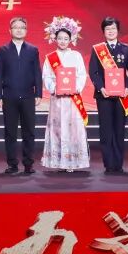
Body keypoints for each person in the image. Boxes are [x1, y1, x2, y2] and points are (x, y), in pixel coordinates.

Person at [87, 16, 128, 175]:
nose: (110, 31)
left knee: (119, 130)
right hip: (104, 96)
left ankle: (118, 163)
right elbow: (93, 72)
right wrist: (101, 87)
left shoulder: (126, 49)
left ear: (118, 30)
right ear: (103, 31)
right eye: (107, 29)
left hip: (121, 97)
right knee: (106, 130)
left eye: (113, 28)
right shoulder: (98, 49)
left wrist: (127, 89)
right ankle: (109, 164)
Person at [0, 17, 43, 175]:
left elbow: (37, 72)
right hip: (9, 96)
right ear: (10, 30)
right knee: (10, 132)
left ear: (26, 31)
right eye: (16, 27)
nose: (19, 30)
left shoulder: (33, 50)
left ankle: (28, 164)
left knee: (29, 131)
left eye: (22, 27)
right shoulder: (3, 50)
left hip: (28, 95)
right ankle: (12, 164)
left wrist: (38, 93)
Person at [41, 17, 90, 173]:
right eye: (60, 38)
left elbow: (81, 74)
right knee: (58, 128)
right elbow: (46, 76)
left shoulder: (76, 55)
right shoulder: (50, 58)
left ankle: (72, 161)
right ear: (55, 39)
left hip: (72, 99)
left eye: (66, 38)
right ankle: (57, 160)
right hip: (58, 99)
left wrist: (76, 87)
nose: (62, 41)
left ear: (71, 39)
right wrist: (54, 88)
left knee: (73, 129)